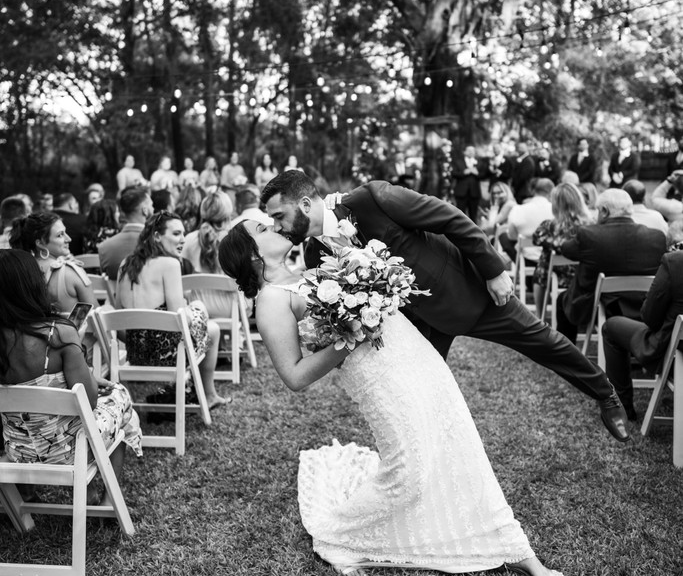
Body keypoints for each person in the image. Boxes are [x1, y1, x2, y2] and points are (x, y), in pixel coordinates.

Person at [218, 220, 566, 576]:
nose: (274, 225)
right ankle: (340, 534)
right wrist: (348, 340)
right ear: (253, 254)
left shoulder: (310, 270)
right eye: (261, 227)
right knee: (409, 469)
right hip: (376, 380)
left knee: (457, 434)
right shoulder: (270, 300)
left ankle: (516, 549)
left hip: (411, 351)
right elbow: (294, 376)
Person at [259, 171, 631, 441]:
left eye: (279, 216)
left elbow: (452, 219)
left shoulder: (374, 198)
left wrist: (493, 270)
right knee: (419, 392)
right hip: (416, 323)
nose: (277, 227)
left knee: (543, 342)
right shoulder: (315, 253)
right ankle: (434, 457)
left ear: (306, 203)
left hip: (468, 293)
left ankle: (605, 393)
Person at [0, 251, 142, 499]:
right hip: (68, 451)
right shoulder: (57, 334)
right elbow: (90, 400)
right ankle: (110, 500)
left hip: (17, 452)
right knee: (120, 397)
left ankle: (27, 495)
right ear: (31, 285)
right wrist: (86, 373)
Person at [116, 212, 227, 410]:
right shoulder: (170, 264)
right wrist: (195, 309)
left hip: (136, 354)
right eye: (176, 233)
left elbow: (118, 316)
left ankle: (194, 391)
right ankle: (206, 394)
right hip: (166, 356)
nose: (183, 239)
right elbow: (180, 321)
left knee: (208, 324)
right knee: (209, 323)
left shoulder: (126, 264)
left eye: (183, 233)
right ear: (157, 236)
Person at [556, 188, 666, 344]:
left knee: (562, 300)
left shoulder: (589, 235)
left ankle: (566, 357)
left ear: (604, 211)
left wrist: (595, 226)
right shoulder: (656, 237)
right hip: (644, 306)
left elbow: (566, 249)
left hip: (601, 305)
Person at [602, 221, 683, 420]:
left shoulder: (675, 262)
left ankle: (621, 408)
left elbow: (650, 318)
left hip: (674, 353)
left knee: (611, 327)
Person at [10, 211, 96, 316]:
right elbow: (96, 316)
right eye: (60, 235)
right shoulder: (70, 272)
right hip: (69, 332)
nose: (69, 239)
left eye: (65, 232)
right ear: (41, 243)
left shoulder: (18, 272)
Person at [531, 182, 593, 316]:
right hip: (586, 277)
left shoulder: (549, 226)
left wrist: (558, 245)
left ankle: (539, 314)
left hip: (558, 277)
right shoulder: (591, 225)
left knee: (544, 261)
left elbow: (536, 238)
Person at [181, 192, 234, 317]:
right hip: (230, 308)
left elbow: (185, 276)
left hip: (198, 307)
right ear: (227, 215)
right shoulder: (236, 241)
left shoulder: (189, 240)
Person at [98, 186, 154, 283]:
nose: (153, 209)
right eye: (151, 205)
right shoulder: (156, 241)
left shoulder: (104, 247)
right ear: (144, 210)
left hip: (118, 298)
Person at [498, 177, 553, 264]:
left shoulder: (519, 209)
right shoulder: (555, 210)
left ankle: (521, 267)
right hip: (550, 257)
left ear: (533, 191)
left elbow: (512, 236)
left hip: (528, 258)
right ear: (551, 193)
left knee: (503, 236)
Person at [452, 145, 483, 223]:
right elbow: (453, 173)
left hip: (474, 193)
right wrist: (464, 172)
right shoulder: (458, 162)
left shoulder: (479, 162)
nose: (471, 152)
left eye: (472, 150)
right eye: (469, 150)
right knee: (460, 215)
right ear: (464, 152)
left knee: (473, 215)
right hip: (461, 193)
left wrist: (476, 173)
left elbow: (484, 175)